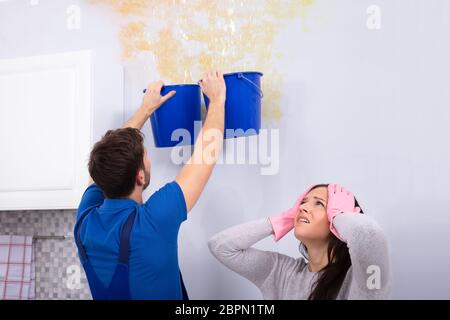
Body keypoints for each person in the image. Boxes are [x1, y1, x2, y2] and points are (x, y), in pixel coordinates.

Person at [74, 71, 226, 300]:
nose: (149, 159)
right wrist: (217, 99)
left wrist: (146, 109)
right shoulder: (152, 221)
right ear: (140, 177)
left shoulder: (84, 222)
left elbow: (103, 161)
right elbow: (206, 155)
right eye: (146, 156)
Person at [208, 184, 391, 299]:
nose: (303, 207)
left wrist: (339, 216)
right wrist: (284, 219)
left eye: (319, 203)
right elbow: (221, 246)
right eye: (302, 202)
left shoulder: (360, 278)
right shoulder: (280, 272)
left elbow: (369, 236)